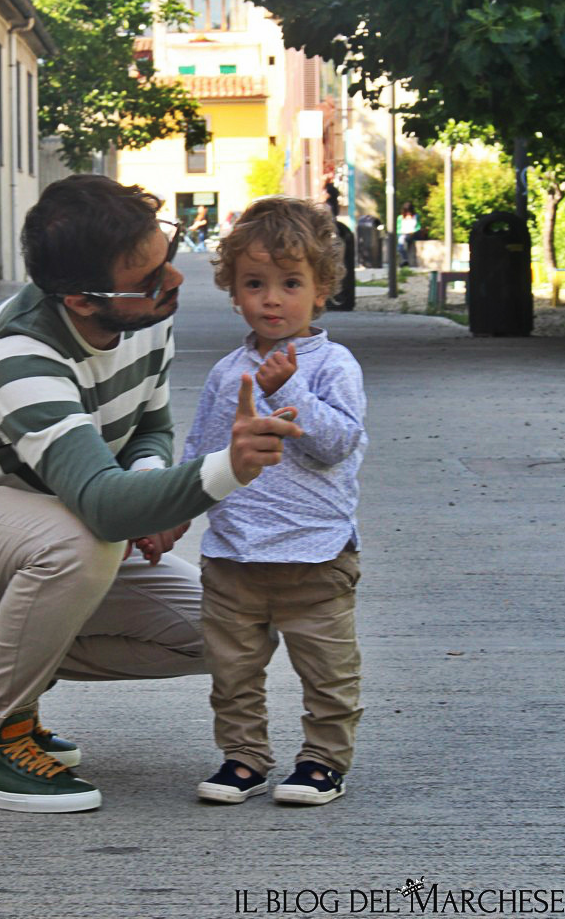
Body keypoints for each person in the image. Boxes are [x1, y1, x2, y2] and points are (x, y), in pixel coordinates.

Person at [0, 175, 301, 814]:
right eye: (150, 278)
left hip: (46, 522)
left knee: (235, 630)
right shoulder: (19, 353)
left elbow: (149, 425)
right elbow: (100, 505)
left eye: (167, 259)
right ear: (81, 299)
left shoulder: (144, 317)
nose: (173, 283)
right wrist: (224, 469)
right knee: (85, 540)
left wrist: (149, 486)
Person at [183, 195, 367, 807]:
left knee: (328, 674)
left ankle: (322, 761)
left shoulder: (333, 365)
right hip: (234, 557)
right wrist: (168, 516)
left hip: (315, 557)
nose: (271, 298)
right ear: (233, 292)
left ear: (321, 291)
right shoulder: (226, 373)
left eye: (291, 283)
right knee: (232, 675)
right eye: (254, 283)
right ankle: (243, 758)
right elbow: (201, 454)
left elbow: (338, 443)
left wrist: (290, 391)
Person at [398, 202, 420, 266]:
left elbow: (418, 227)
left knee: (404, 239)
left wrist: (413, 231)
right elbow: (399, 228)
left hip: (412, 234)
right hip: (403, 234)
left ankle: (405, 260)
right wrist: (401, 233)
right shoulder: (400, 217)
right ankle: (405, 260)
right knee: (400, 245)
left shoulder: (416, 216)